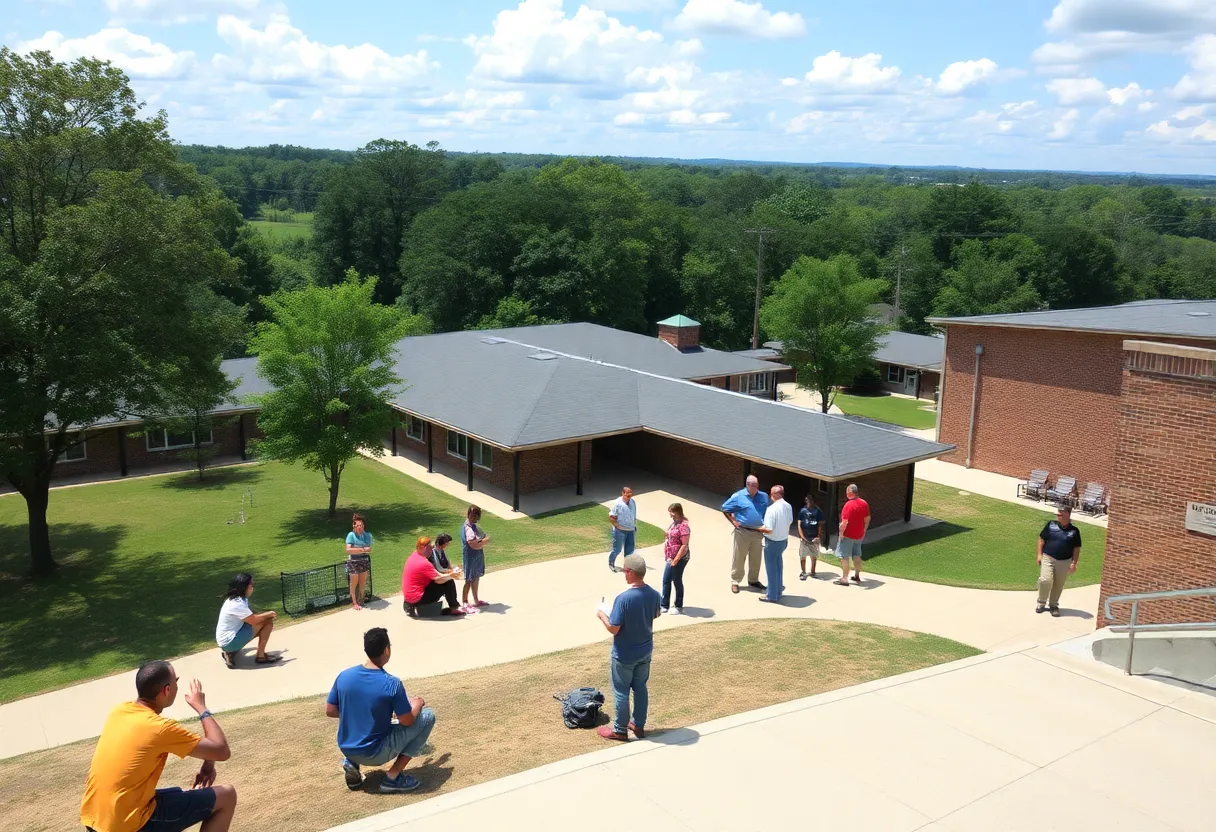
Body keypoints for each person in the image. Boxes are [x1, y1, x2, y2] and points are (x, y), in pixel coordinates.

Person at [81, 661, 236, 832]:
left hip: (95, 820)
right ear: (166, 690)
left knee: (181, 795)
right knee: (227, 795)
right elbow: (221, 750)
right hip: (128, 825)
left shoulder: (119, 711)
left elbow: (213, 751)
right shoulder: (160, 728)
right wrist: (201, 708)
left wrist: (208, 764)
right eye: (176, 680)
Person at [326, 627, 437, 794]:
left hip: (347, 747)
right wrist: (418, 704)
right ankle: (392, 778)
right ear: (387, 649)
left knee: (358, 722)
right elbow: (407, 720)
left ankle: (352, 764)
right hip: (375, 753)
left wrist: (358, 713)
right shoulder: (391, 683)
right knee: (428, 716)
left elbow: (330, 710)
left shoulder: (344, 676)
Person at [595, 554, 662, 742]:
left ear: (631, 572)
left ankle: (620, 730)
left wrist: (601, 614)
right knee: (640, 688)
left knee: (621, 691)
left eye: (625, 571)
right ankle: (638, 725)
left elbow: (613, 628)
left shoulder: (623, 599)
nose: (624, 574)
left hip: (624, 654)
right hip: (645, 651)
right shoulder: (654, 594)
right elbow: (655, 614)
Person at [214, 572, 280, 669]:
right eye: (251, 585)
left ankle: (230, 653)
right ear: (244, 586)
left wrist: (263, 614)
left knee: (262, 620)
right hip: (229, 642)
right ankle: (260, 656)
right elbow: (253, 620)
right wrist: (269, 614)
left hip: (224, 640)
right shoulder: (238, 604)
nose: (253, 587)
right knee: (267, 622)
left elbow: (249, 614)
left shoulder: (236, 599)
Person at [720, 475, 770, 594]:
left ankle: (753, 580)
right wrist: (733, 521)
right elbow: (724, 508)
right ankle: (735, 581)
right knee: (739, 557)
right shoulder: (738, 496)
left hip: (758, 533)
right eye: (753, 486)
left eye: (757, 485)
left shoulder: (763, 496)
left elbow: (768, 510)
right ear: (748, 485)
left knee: (756, 558)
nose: (756, 488)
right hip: (743, 532)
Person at [402, 537, 465, 617]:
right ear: (423, 548)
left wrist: (449, 574)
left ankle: (410, 607)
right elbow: (439, 579)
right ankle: (454, 608)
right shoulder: (424, 563)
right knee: (448, 582)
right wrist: (452, 575)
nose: (432, 550)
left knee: (443, 580)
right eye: (430, 547)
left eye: (432, 547)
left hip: (409, 600)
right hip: (418, 599)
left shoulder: (414, 556)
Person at [1036, 506, 1082, 617]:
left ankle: (1053, 605)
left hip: (1064, 561)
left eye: (1060, 514)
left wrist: (1074, 563)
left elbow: (1076, 548)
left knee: (1058, 584)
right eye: (1058, 513)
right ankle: (1041, 602)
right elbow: (1041, 539)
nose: (1058, 515)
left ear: (1067, 514)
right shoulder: (1051, 525)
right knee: (1045, 580)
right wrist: (1039, 554)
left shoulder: (1074, 531)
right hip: (1048, 557)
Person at [760, 485, 793, 603]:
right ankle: (779, 590)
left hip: (772, 542)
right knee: (779, 566)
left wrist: (758, 529)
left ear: (774, 494)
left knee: (771, 569)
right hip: (783, 541)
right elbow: (790, 521)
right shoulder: (788, 506)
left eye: (771, 494)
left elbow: (769, 529)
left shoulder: (771, 509)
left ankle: (772, 595)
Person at [835, 484, 870, 586]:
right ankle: (857, 575)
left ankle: (845, 578)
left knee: (843, 556)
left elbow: (844, 522)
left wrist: (841, 534)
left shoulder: (848, 505)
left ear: (851, 493)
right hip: (859, 535)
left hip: (848, 536)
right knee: (857, 554)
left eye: (847, 491)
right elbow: (867, 519)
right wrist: (864, 530)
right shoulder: (864, 503)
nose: (846, 493)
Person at [661, 503, 691, 615]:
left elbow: (684, 545)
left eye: (672, 513)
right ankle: (664, 605)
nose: (670, 515)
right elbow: (670, 534)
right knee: (666, 580)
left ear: (678, 512)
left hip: (680, 558)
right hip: (670, 557)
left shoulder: (684, 526)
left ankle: (678, 606)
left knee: (677, 580)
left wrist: (676, 559)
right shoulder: (674, 523)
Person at [461, 505, 491, 608]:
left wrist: (481, 540)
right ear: (468, 514)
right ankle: (465, 601)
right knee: (469, 579)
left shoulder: (473, 526)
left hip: (476, 555)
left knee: (476, 578)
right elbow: (471, 543)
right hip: (470, 556)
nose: (473, 517)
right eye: (472, 515)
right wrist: (484, 541)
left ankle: (476, 600)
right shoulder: (468, 528)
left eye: (475, 516)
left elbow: (479, 537)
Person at [345, 512, 373, 610]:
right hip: (353, 561)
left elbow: (369, 549)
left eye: (361, 525)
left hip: (363, 561)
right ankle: (354, 603)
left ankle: (361, 600)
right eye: (357, 525)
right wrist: (361, 549)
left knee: (362, 581)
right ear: (354, 526)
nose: (359, 527)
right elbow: (348, 550)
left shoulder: (367, 535)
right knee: (354, 582)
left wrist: (356, 549)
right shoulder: (351, 535)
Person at [607, 486, 637, 573]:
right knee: (617, 549)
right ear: (623, 493)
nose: (629, 496)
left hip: (631, 530)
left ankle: (627, 566)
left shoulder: (633, 502)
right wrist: (617, 526)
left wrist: (634, 526)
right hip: (620, 531)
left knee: (630, 550)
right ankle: (611, 563)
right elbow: (611, 516)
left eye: (630, 495)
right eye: (627, 494)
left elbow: (634, 514)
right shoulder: (617, 503)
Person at [797, 494, 825, 580]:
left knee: (814, 556)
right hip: (804, 537)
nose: (808, 502)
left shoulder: (818, 511)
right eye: (807, 500)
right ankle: (803, 572)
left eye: (810, 500)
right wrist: (802, 536)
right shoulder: (802, 511)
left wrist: (818, 536)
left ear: (813, 501)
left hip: (814, 537)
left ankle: (813, 571)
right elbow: (799, 524)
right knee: (802, 555)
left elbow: (820, 524)